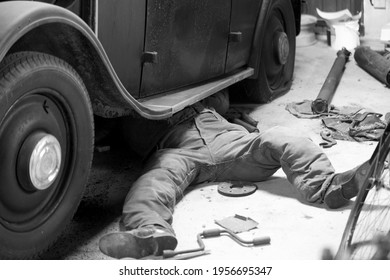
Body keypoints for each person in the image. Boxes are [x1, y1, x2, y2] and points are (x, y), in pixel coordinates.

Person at [98, 90, 369, 259]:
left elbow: (222, 99)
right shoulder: (128, 107)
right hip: (178, 149)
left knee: (281, 137)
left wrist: (202, 93)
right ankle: (150, 231)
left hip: (230, 143)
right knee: (154, 180)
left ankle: (328, 186)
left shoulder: (205, 99)